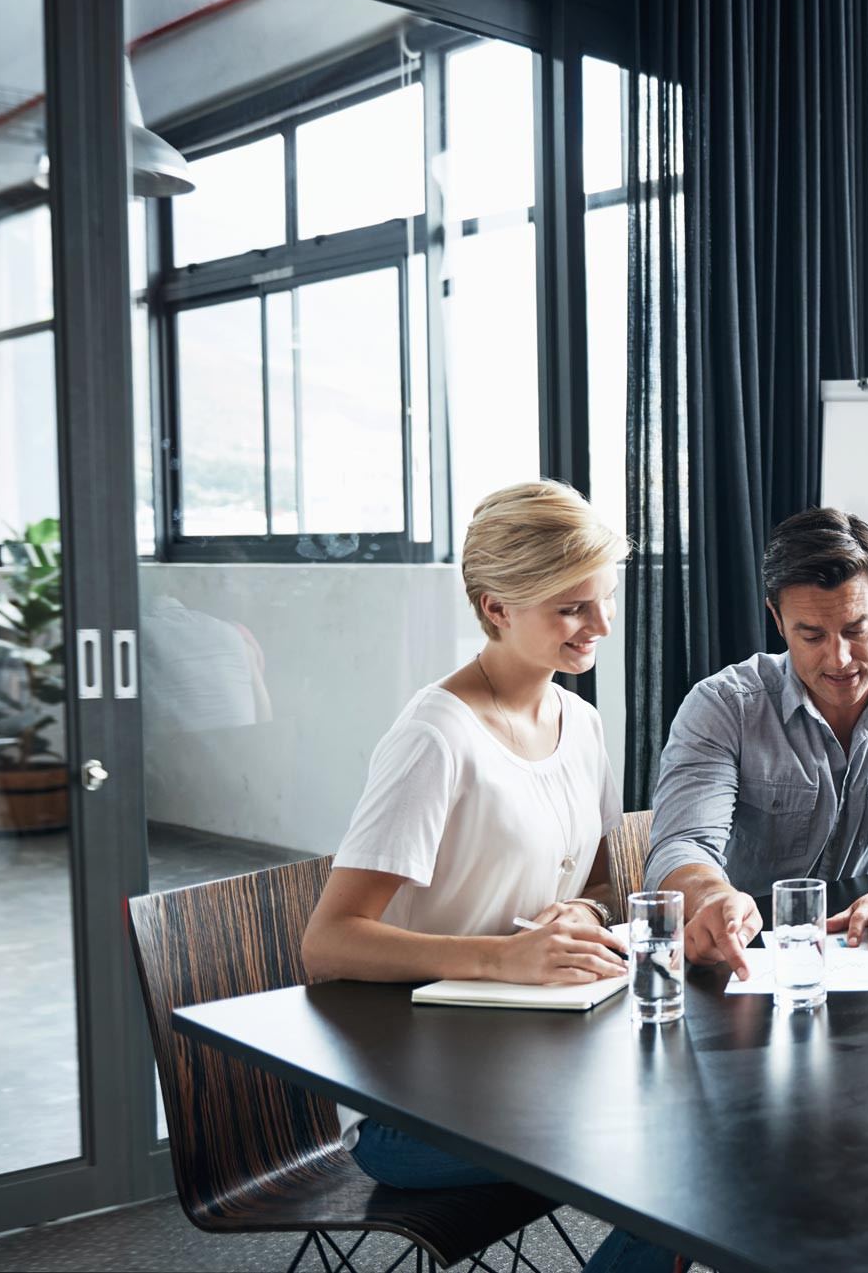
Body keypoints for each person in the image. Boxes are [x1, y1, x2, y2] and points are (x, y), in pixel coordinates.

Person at [297, 480, 675, 1273]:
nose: (600, 625)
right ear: (495, 606)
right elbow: (328, 943)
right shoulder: (436, 737)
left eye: (603, 600)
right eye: (572, 607)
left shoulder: (582, 724)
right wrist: (502, 958)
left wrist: (582, 918)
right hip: (414, 1106)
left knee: (705, 1135)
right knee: (670, 1165)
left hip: (538, 1058)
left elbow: (596, 887)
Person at [647, 507, 868, 974]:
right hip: (747, 959)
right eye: (812, 635)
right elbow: (681, 848)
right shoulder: (723, 706)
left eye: (857, 630)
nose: (839, 659)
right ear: (778, 620)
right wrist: (713, 897)